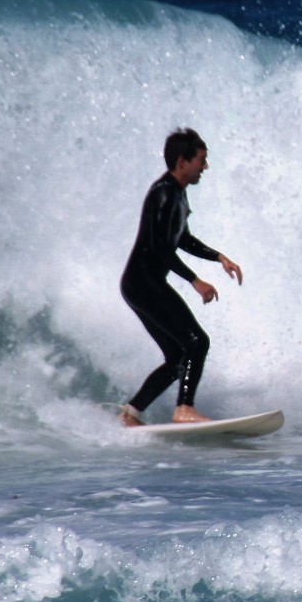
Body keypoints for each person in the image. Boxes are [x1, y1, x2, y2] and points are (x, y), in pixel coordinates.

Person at [118, 128, 242, 426]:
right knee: (197, 342)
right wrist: (195, 281)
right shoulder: (163, 193)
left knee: (177, 358)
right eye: (201, 159)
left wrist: (219, 257)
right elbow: (160, 247)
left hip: (142, 284)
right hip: (143, 283)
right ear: (182, 161)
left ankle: (131, 413)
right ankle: (184, 409)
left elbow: (182, 239)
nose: (205, 166)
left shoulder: (177, 194)